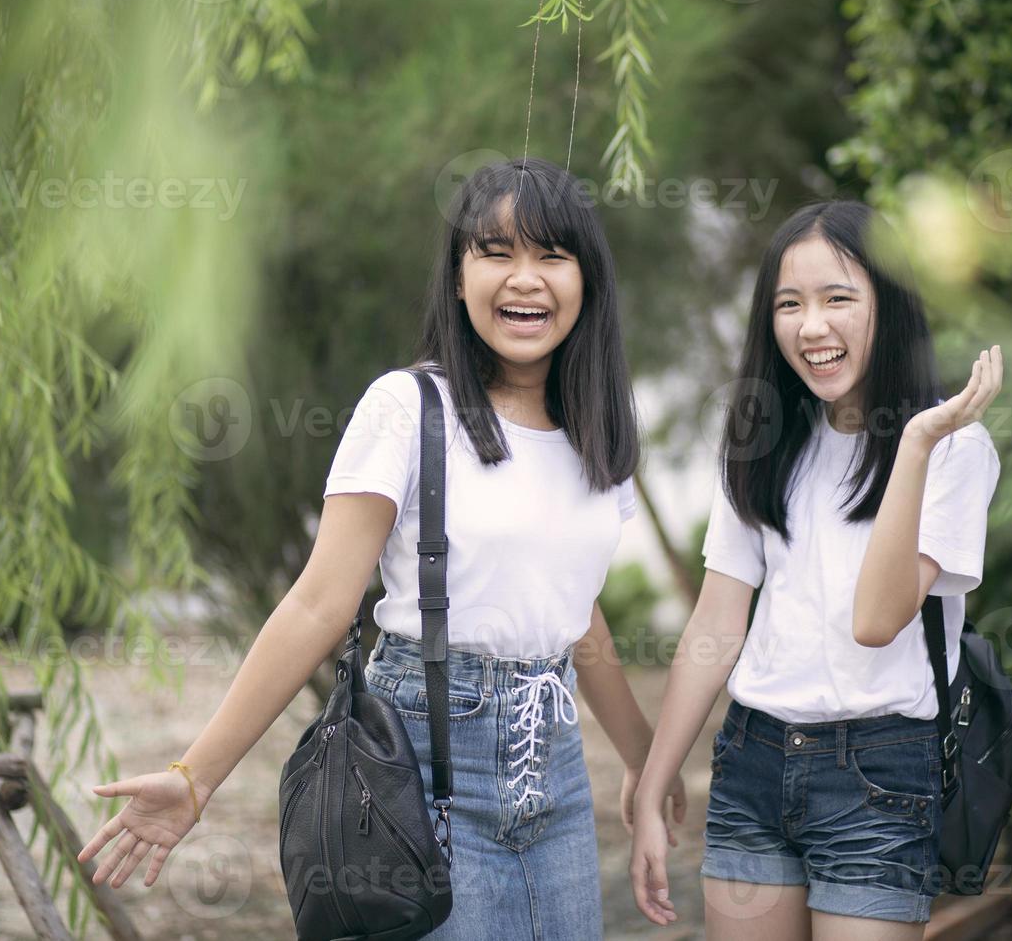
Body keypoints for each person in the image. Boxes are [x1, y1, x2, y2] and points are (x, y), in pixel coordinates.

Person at [76, 157, 687, 939]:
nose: (524, 279)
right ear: (459, 279)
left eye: (551, 256)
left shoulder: (597, 429)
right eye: (495, 253)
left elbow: (573, 612)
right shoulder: (408, 408)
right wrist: (196, 780)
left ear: (587, 281)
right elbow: (318, 603)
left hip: (557, 781)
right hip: (424, 767)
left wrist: (643, 763)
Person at [629, 199, 1003, 940]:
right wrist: (652, 781)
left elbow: (876, 620)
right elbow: (715, 622)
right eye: (789, 304)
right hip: (754, 760)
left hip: (882, 773)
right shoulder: (761, 439)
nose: (812, 327)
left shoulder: (955, 449)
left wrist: (919, 442)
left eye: (839, 299)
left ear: (890, 306)